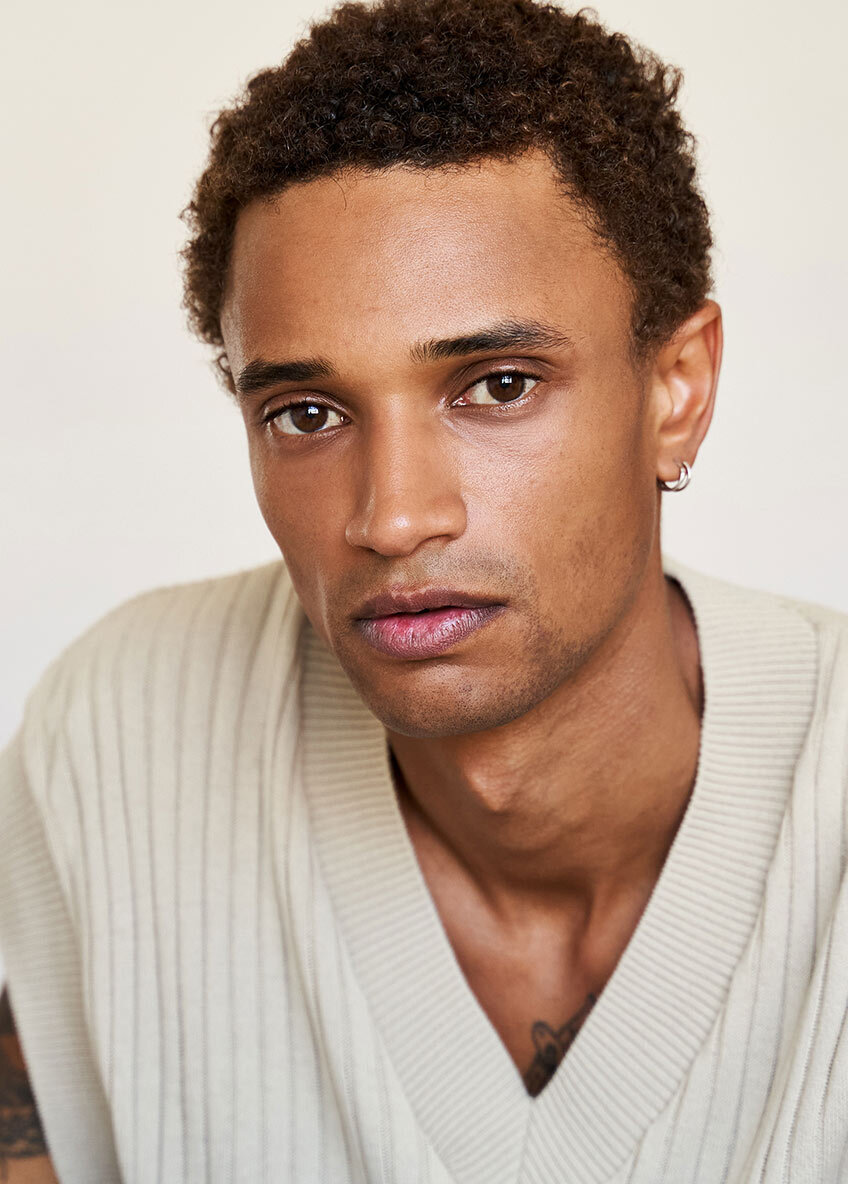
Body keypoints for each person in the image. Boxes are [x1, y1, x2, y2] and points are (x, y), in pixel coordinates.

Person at [1, 0, 847, 1179]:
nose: (392, 517)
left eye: (497, 384)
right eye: (306, 412)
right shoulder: (122, 736)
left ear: (676, 388)